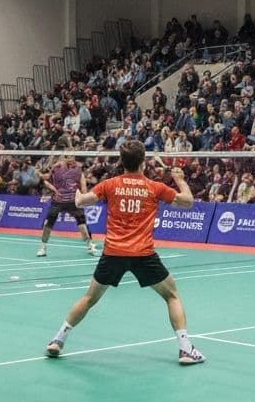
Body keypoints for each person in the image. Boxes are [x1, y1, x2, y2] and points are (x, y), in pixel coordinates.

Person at [44, 141, 205, 366]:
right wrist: (180, 179)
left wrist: (78, 188)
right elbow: (187, 202)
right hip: (143, 254)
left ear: (121, 161)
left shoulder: (110, 184)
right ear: (142, 162)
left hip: (113, 253)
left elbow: (81, 201)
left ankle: (57, 340)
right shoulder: (155, 187)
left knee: (89, 298)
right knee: (172, 296)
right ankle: (186, 350)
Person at [36, 154, 97, 257]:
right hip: (58, 201)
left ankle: (90, 246)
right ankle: (43, 247)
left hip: (73, 201)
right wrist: (54, 189)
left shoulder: (77, 171)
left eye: (72, 157)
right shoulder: (56, 169)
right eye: (67, 157)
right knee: (48, 223)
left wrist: (83, 198)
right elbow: (46, 180)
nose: (71, 159)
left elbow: (83, 184)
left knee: (82, 223)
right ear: (63, 159)